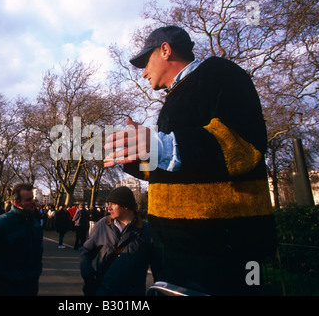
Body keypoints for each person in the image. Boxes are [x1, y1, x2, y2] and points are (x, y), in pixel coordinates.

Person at [104, 26, 277, 295]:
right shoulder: (175, 98)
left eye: (145, 61)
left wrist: (158, 145)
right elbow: (179, 168)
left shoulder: (220, 72)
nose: (143, 72)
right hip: (178, 252)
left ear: (165, 49)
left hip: (222, 250)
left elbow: (242, 147)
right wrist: (132, 156)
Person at [79, 186, 163, 296]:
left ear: (125, 206)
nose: (109, 208)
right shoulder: (102, 225)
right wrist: (88, 275)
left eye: (113, 204)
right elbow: (86, 251)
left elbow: (159, 268)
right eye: (108, 204)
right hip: (103, 292)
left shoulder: (147, 231)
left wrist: (160, 292)